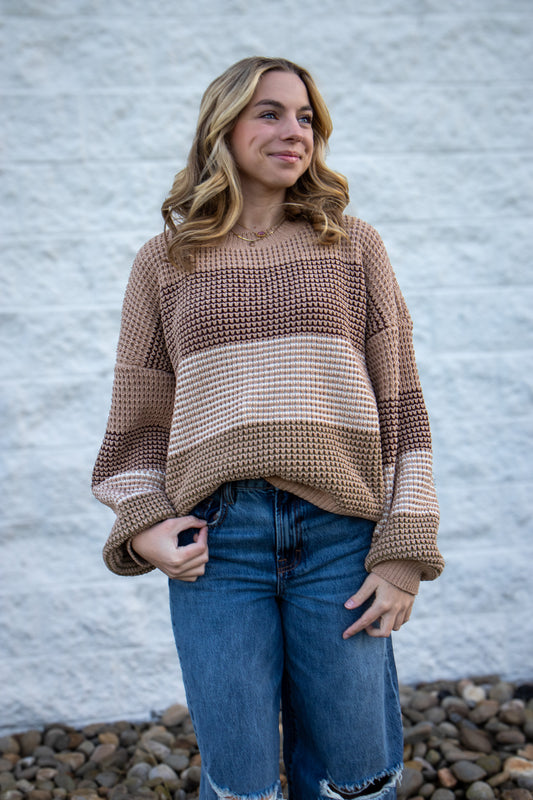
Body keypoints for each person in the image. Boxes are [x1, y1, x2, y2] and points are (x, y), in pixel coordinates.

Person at [92, 56, 444, 800]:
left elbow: (404, 413)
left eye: (306, 118)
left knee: (357, 772)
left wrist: (403, 551)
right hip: (218, 546)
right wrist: (145, 523)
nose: (295, 132)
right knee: (241, 778)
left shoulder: (353, 246)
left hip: (341, 539)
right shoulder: (164, 262)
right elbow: (134, 432)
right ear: (223, 128)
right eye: (271, 113)